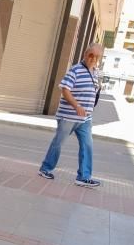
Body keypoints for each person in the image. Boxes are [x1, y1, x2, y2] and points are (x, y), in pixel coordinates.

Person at [38, 43, 103, 187]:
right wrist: (77, 106)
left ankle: (83, 177)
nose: (93, 58)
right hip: (68, 116)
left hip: (85, 118)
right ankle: (45, 168)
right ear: (85, 54)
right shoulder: (75, 70)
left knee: (87, 145)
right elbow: (65, 90)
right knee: (58, 143)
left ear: (99, 58)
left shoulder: (95, 72)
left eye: (96, 56)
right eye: (91, 55)